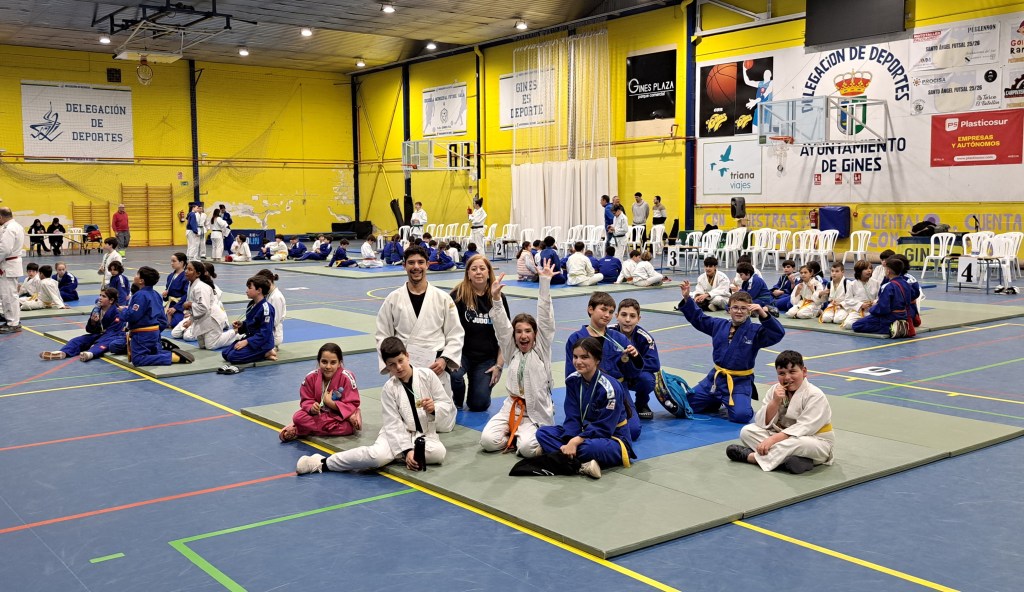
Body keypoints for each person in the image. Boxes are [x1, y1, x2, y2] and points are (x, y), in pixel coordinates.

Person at [295, 336, 455, 475]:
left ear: (407, 356)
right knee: (376, 457)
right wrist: (407, 451)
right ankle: (323, 462)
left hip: (424, 435)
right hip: (395, 435)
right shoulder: (389, 389)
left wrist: (435, 408)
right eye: (392, 364)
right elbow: (393, 424)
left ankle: (393, 456)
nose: (398, 367)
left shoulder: (428, 376)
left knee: (439, 453)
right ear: (387, 366)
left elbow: (447, 404)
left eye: (401, 361)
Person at [677, 282, 785, 423]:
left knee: (741, 416)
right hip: (714, 380)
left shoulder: (755, 331)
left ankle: (726, 400)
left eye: (743, 308)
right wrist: (687, 298)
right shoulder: (719, 325)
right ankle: (714, 400)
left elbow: (777, 333)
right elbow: (699, 318)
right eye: (735, 307)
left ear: (749, 311)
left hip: (739, 382)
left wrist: (763, 313)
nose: (739, 311)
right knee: (685, 405)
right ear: (729, 309)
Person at [480, 261, 556, 457]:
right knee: (487, 441)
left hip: (536, 410)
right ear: (514, 335)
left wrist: (544, 283)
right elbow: (501, 325)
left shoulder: (541, 348)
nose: (523, 335)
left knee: (528, 450)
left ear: (535, 334)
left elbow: (545, 318)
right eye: (519, 331)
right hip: (511, 408)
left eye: (528, 331)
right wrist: (496, 299)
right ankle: (515, 435)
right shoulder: (510, 349)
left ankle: (521, 438)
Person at [535, 337, 636, 479]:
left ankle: (559, 456)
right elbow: (572, 417)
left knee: (590, 448)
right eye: (575, 357)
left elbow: (604, 427)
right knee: (542, 433)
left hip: (611, 438)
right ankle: (582, 465)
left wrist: (575, 442)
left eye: (584, 357)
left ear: (597, 360)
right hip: (583, 433)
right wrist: (571, 439)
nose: (578, 361)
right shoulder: (573, 380)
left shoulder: (610, 388)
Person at [375, 245, 464, 401]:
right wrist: (392, 365)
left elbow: (455, 334)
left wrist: (444, 359)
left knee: (440, 414)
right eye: (411, 263)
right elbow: (382, 335)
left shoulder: (443, 298)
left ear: (427, 265)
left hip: (435, 367)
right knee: (405, 412)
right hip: (403, 368)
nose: (416, 267)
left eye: (421, 262)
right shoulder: (393, 299)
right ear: (404, 265)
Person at [727, 350, 834, 474]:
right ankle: (793, 461)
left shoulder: (815, 395)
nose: (787, 377)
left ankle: (753, 458)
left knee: (798, 443)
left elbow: (804, 428)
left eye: (792, 372)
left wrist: (772, 440)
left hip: (816, 442)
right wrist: (775, 401)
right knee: (747, 432)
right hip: (783, 437)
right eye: (782, 373)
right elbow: (761, 422)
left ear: (804, 371)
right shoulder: (775, 390)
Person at [565, 292, 644, 441]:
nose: (607, 315)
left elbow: (631, 374)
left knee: (633, 431)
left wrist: (633, 358)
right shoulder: (576, 339)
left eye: (611, 312)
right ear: (590, 309)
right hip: (588, 391)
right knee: (577, 428)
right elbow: (571, 374)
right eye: (603, 309)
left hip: (618, 391)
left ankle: (600, 431)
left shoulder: (619, 338)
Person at [448, 254, 509, 411]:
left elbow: (506, 336)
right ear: (468, 273)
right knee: (454, 375)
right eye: (474, 269)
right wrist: (448, 356)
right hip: (461, 353)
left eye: (482, 268)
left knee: (478, 405)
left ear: (488, 272)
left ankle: (478, 388)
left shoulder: (498, 297)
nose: (478, 272)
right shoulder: (457, 295)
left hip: (486, 358)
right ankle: (457, 399)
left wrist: (499, 365)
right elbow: (445, 328)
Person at [280, 342, 362, 442]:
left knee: (347, 428)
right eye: (324, 362)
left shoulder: (347, 377)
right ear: (319, 362)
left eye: (333, 362)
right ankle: (305, 429)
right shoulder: (310, 377)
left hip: (337, 414)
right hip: (321, 416)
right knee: (298, 418)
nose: (328, 366)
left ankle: (299, 430)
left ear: (339, 363)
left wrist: (331, 404)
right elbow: (306, 399)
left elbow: (352, 402)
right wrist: (311, 407)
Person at [125, 266, 193, 366]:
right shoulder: (156, 294)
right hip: (154, 333)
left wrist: (123, 312)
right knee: (153, 353)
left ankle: (172, 357)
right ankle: (164, 352)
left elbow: (133, 316)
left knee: (138, 359)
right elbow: (163, 320)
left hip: (142, 334)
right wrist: (156, 332)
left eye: (137, 274)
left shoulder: (140, 295)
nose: (135, 276)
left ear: (141, 281)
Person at [41, 288, 126, 361]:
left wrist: (96, 342)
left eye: (104, 296)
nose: (100, 298)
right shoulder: (97, 310)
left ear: (111, 300)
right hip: (100, 335)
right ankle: (63, 352)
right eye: (100, 295)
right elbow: (89, 330)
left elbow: (113, 332)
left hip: (114, 336)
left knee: (104, 344)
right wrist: (93, 322)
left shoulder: (117, 313)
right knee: (78, 340)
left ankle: (90, 353)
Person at [609, 298, 660, 421]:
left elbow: (654, 364)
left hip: (634, 377)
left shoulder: (645, 338)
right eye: (623, 315)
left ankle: (641, 404)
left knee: (647, 380)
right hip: (613, 376)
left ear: (638, 319)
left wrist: (633, 361)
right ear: (616, 316)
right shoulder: (607, 333)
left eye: (632, 316)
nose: (627, 320)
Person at [178, 260, 235, 351]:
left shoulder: (201, 287)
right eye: (186, 269)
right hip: (202, 318)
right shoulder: (192, 284)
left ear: (198, 274)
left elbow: (203, 307)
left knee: (211, 346)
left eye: (190, 269)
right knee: (202, 345)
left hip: (213, 318)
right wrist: (191, 320)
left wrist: (189, 304)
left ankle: (236, 333)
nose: (186, 271)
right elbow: (197, 307)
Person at [222, 275, 277, 366]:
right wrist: (241, 325)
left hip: (262, 343)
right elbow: (252, 324)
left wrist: (246, 342)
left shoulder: (266, 309)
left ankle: (266, 352)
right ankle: (264, 353)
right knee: (225, 354)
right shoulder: (252, 305)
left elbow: (265, 333)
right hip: (251, 337)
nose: (246, 291)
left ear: (259, 290)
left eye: (249, 288)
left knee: (233, 357)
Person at [852, 258, 912, 337]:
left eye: (885, 269)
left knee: (857, 325)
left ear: (888, 271)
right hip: (903, 314)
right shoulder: (906, 283)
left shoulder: (888, 286)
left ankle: (890, 329)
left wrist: (872, 309)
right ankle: (898, 325)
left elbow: (883, 308)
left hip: (889, 317)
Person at [0, 208, 26, 334]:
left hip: (8, 265)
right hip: (10, 264)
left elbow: (4, 249)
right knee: (9, 295)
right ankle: (11, 319)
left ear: (1, 217)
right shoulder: (16, 226)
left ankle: (13, 323)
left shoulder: (9, 228)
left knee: (9, 295)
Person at [841, 260, 880, 330]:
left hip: (872, 310)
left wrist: (874, 302)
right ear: (859, 271)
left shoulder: (876, 283)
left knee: (877, 322)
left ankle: (862, 324)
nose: (869, 271)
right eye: (866, 269)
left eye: (870, 268)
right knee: (848, 325)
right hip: (858, 311)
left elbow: (879, 297)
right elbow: (848, 299)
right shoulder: (852, 284)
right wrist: (861, 304)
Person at [256, 269, 286, 351]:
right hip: (267, 332)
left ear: (268, 282)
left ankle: (270, 348)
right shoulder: (269, 295)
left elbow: (274, 321)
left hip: (273, 336)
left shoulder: (276, 297)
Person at [163, 253, 189, 328]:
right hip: (170, 304)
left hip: (180, 305)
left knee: (176, 323)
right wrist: (165, 295)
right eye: (171, 261)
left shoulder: (186, 277)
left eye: (174, 261)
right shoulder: (170, 276)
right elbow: (167, 296)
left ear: (181, 262)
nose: (172, 263)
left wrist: (175, 308)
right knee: (159, 320)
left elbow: (186, 295)